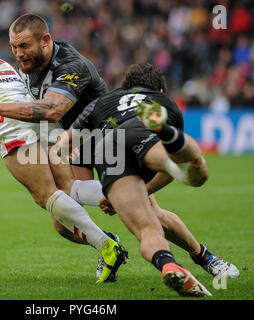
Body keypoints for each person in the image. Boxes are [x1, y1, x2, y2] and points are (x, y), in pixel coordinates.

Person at [0, 15, 239, 282]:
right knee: (63, 223)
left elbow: (52, 109)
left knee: (149, 212)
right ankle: (109, 244)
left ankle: (204, 256)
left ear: (46, 40)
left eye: (24, 46)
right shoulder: (28, 70)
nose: (18, 53)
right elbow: (28, 114)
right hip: (76, 144)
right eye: (14, 47)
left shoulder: (72, 65)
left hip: (110, 139)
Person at [0, 23, 128, 284]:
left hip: (9, 120)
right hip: (34, 112)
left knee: (45, 194)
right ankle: (126, 193)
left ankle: (107, 246)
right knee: (68, 185)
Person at [54, 62, 240, 296]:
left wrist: (63, 150)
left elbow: (65, 140)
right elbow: (167, 176)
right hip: (142, 130)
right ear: (160, 90)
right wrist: (146, 188)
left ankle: (167, 264)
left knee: (147, 228)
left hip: (108, 149)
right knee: (191, 170)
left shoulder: (103, 101)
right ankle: (166, 133)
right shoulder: (166, 102)